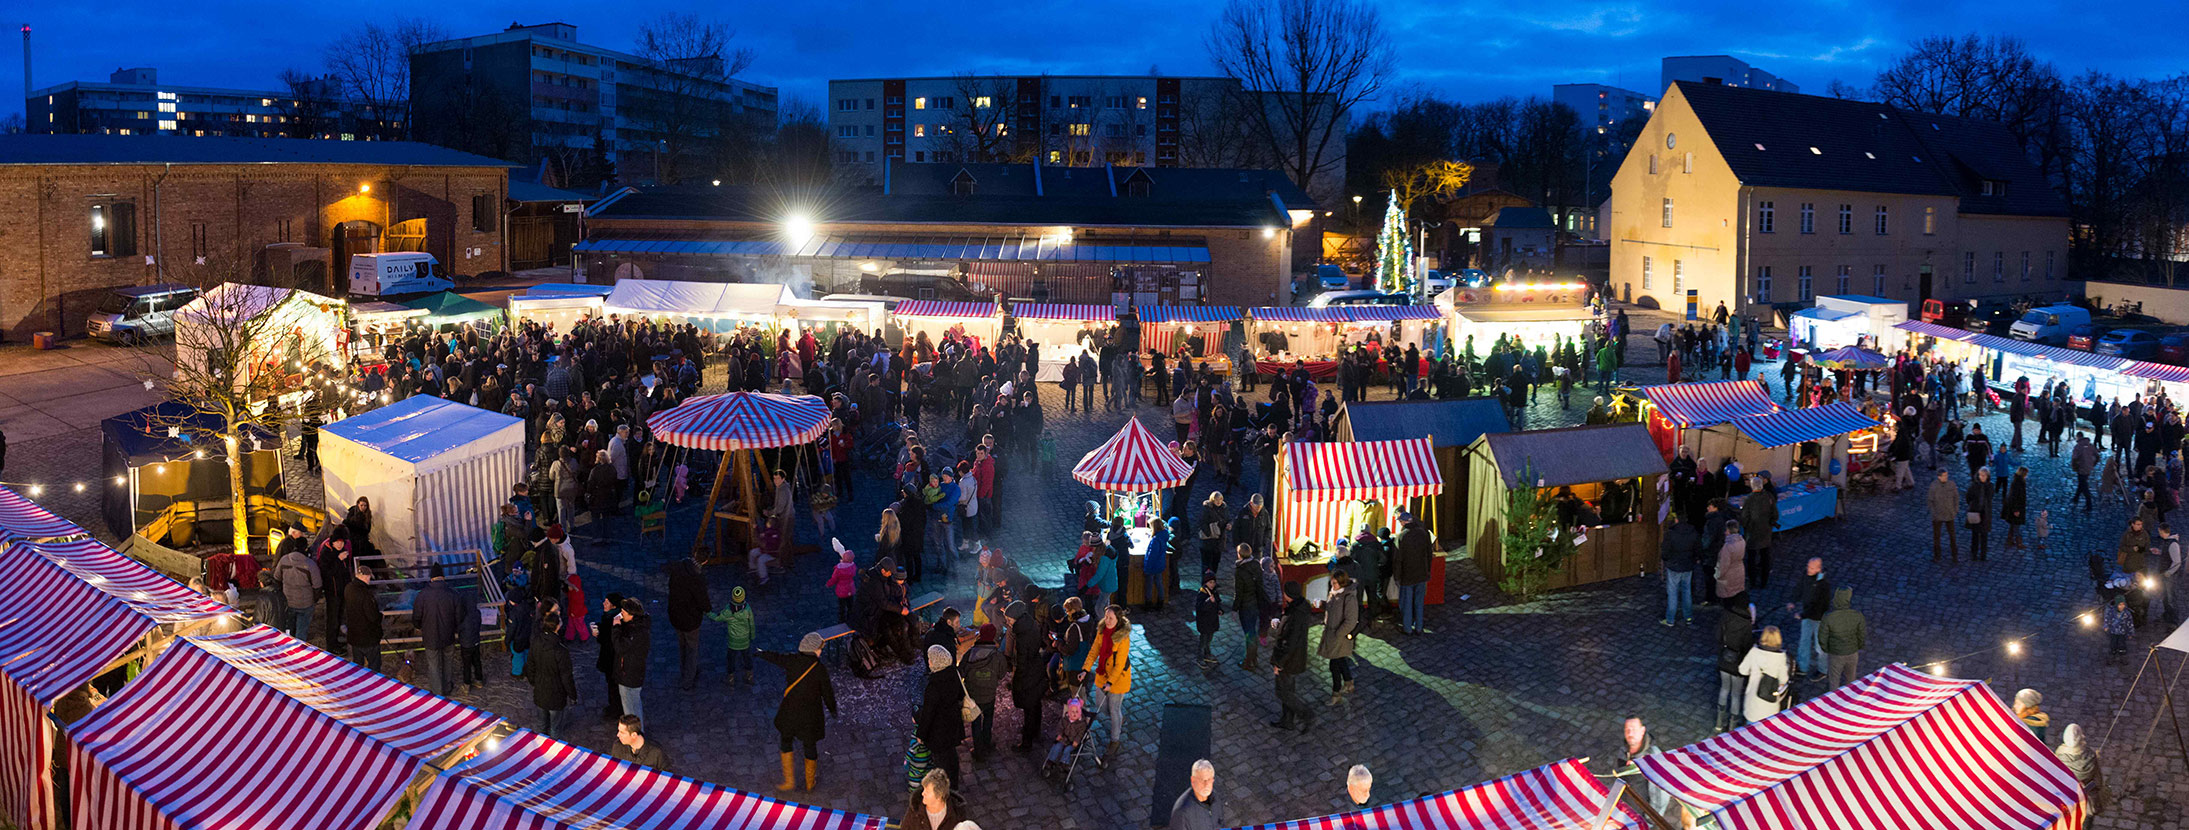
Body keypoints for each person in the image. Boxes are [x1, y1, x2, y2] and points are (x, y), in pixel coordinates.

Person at [761, 633, 838, 791]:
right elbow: (827, 693)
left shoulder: (793, 661)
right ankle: (810, 783)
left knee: (786, 740)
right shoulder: (819, 669)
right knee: (809, 746)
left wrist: (762, 653)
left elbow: (777, 658)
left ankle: (789, 781)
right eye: (819, 649)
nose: (820, 652)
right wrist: (832, 709)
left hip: (790, 711)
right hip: (810, 715)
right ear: (813, 650)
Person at [1079, 604, 1134, 764]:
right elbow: (1094, 650)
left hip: (1117, 679)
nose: (1107, 620)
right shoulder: (1102, 630)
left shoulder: (1123, 637)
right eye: (1106, 617)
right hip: (1103, 675)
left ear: (1118, 619)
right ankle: (1119, 720)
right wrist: (1085, 669)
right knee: (1102, 707)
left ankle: (1115, 740)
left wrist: (1111, 682)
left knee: (1114, 709)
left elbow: (1120, 663)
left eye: (1111, 618)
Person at [916, 645, 968, 790]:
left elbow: (928, 714)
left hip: (939, 731)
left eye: (930, 660)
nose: (929, 662)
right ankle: (954, 785)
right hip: (953, 725)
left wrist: (921, 734)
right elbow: (960, 695)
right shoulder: (954, 674)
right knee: (951, 756)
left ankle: (945, 792)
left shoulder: (934, 686)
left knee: (941, 762)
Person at [1005, 601, 1049, 752]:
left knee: (1029, 708)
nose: (1008, 623)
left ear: (1016, 618)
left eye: (1009, 620)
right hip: (1037, 669)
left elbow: (1022, 661)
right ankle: (1035, 732)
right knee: (1036, 704)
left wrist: (1017, 680)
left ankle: (1026, 743)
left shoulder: (1022, 636)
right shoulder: (1031, 624)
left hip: (1029, 674)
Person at [1270, 581, 1314, 733]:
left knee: (1283, 692)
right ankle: (1287, 720)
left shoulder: (1295, 614)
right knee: (1288, 690)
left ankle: (1306, 714)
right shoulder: (1300, 608)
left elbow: (1289, 642)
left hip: (1289, 660)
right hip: (1294, 658)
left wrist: (1279, 663)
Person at [526, 612, 578, 738]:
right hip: (556, 694)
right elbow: (566, 676)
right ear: (557, 627)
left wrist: (534, 681)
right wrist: (572, 695)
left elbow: (530, 664)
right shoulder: (561, 650)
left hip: (540, 690)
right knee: (555, 727)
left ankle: (540, 745)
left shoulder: (536, 642)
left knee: (541, 723)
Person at [960, 624, 1006, 761]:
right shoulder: (997, 656)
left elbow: (961, 671)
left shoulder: (970, 653)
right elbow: (1002, 674)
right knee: (988, 719)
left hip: (973, 696)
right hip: (989, 695)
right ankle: (987, 743)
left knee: (975, 723)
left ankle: (978, 750)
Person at [1610, 717, 1672, 817]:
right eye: (1627, 730)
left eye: (1634, 729)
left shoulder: (1652, 758)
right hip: (1627, 811)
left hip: (1643, 818)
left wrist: (1649, 821)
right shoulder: (1623, 752)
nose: (1630, 734)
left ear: (1642, 730)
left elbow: (1661, 797)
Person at [414, 572, 463, 695]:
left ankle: (437, 691)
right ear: (443, 578)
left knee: (433, 665)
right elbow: (459, 615)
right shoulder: (453, 594)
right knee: (448, 661)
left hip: (430, 636)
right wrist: (455, 628)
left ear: (431, 579)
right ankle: (447, 687)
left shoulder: (422, 595)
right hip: (448, 635)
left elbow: (417, 615)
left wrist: (418, 626)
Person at [666, 557, 711, 690]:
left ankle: (685, 671)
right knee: (692, 648)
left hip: (675, 616)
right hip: (691, 620)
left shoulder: (677, 569)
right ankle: (688, 680)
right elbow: (704, 602)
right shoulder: (697, 579)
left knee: (682, 646)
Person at [1319, 569, 1360, 705]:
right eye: (1332, 582)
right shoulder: (1335, 592)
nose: (1333, 585)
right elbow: (1333, 609)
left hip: (1338, 636)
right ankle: (1349, 683)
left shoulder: (1349, 597)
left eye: (1335, 583)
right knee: (1340, 660)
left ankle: (1336, 693)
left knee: (1334, 665)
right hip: (1332, 634)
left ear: (1342, 583)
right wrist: (1322, 605)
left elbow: (1351, 620)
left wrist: (1338, 634)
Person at [1787, 558, 1832, 680]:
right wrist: (1793, 600)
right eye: (1808, 567)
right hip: (1808, 614)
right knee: (1804, 641)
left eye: (1812, 568)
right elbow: (1800, 587)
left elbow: (1819, 606)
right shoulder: (1807, 576)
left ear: (1819, 569)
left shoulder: (1823, 585)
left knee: (1820, 646)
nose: (1808, 570)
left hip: (1819, 618)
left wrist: (1802, 615)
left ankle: (1823, 670)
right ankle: (1803, 667)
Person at [1739, 626, 1792, 724]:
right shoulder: (1781, 657)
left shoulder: (1754, 652)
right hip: (1769, 701)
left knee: (1750, 730)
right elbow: (1784, 679)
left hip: (1753, 700)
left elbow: (1742, 670)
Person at [1715, 603, 1755, 732]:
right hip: (1738, 664)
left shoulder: (1726, 618)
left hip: (1724, 659)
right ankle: (1732, 727)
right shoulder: (1746, 625)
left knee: (1724, 688)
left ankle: (1719, 723)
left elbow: (1717, 636)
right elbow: (1748, 648)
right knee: (1736, 695)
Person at [707, 586, 757, 687]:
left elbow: (717, 618)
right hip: (745, 640)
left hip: (733, 641)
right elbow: (751, 623)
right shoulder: (747, 609)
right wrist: (752, 636)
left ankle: (731, 678)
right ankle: (749, 676)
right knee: (747, 657)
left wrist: (707, 613)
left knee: (731, 659)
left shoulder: (728, 611)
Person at [1393, 512, 1434, 635]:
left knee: (1407, 603)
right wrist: (1428, 570)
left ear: (1404, 522)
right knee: (1419, 603)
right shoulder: (1423, 533)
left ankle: (1407, 628)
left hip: (1407, 575)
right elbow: (1429, 554)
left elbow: (1398, 559)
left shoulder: (1402, 536)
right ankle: (1419, 627)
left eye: (1400, 521)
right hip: (1421, 574)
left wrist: (1397, 576)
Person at [274, 539, 322, 644]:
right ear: (305, 548)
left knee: (288, 630)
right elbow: (317, 586)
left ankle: (287, 651)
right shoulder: (310, 564)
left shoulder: (284, 560)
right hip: (305, 603)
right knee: (301, 632)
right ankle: (299, 653)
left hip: (288, 601)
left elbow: (277, 578)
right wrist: (314, 600)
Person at [1819, 587, 1868, 690]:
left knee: (1834, 680)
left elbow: (1822, 637)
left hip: (1836, 654)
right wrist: (1857, 646)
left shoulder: (1829, 617)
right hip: (1852, 652)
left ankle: (1835, 701)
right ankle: (1851, 699)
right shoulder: (1857, 615)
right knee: (1851, 679)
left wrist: (1827, 649)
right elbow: (1862, 634)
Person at [2055, 724, 2108, 814]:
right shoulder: (2090, 755)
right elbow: (2098, 780)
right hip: (2086, 799)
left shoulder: (2059, 756)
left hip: (2068, 799)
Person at [614, 597, 652, 722]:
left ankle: (634, 734)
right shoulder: (639, 627)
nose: (620, 615)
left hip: (629, 675)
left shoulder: (634, 633)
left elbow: (619, 646)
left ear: (631, 615)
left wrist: (616, 628)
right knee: (634, 704)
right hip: (633, 672)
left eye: (623, 613)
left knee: (630, 708)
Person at [1660, 515, 1699, 626]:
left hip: (1674, 566)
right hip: (1687, 566)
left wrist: (1666, 560)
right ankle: (1688, 617)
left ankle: (1670, 619)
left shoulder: (1671, 534)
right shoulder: (1693, 532)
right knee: (1687, 591)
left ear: (1676, 520)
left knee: (1672, 593)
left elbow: (1665, 551)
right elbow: (1698, 549)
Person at [1739, 479, 1778, 589]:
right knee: (1765, 558)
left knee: (1751, 558)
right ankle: (1764, 581)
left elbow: (1744, 518)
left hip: (1752, 534)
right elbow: (1775, 514)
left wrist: (1746, 526)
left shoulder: (1749, 499)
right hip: (1766, 533)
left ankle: (1752, 581)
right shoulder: (1769, 496)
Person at [343, 565, 383, 672]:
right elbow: (372, 616)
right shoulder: (366, 594)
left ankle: (359, 684)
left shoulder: (348, 588)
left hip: (354, 635)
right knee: (374, 665)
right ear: (365, 577)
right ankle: (374, 684)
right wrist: (380, 616)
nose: (370, 579)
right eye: (369, 577)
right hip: (368, 636)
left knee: (357, 666)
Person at [900, 769, 968, 830]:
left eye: (928, 791)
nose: (923, 793)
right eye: (924, 789)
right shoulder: (915, 809)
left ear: (939, 796)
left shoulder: (957, 814)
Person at [1169, 759, 1223, 830]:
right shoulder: (1181, 812)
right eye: (1202, 780)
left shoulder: (1215, 798)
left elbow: (1220, 822)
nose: (1206, 784)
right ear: (1193, 781)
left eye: (1209, 779)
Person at [1928, 468, 1961, 561]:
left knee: (1952, 536)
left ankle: (1955, 556)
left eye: (1947, 475)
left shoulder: (1951, 484)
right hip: (1937, 516)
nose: (1946, 477)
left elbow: (1956, 497)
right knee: (1937, 537)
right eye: (1944, 476)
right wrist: (1934, 513)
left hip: (1950, 514)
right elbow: (1930, 501)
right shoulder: (1933, 486)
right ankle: (1937, 556)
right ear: (1939, 477)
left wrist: (1955, 510)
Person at [1194, 571, 1222, 666]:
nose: (1212, 584)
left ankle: (1207, 654)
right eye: (1210, 582)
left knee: (1209, 639)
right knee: (1203, 641)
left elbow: (1218, 602)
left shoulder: (1214, 592)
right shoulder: (1202, 594)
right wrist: (1209, 602)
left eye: (1213, 582)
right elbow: (1200, 608)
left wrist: (1219, 609)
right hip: (1204, 622)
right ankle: (1200, 657)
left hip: (1212, 621)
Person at [1967, 467, 1994, 561]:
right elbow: (1968, 497)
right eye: (1980, 475)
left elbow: (1990, 497)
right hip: (1975, 512)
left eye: (1984, 475)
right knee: (1975, 535)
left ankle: (1983, 554)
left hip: (1985, 513)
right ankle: (1974, 553)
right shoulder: (1974, 486)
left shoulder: (1990, 486)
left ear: (1987, 476)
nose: (1982, 477)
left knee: (1984, 535)